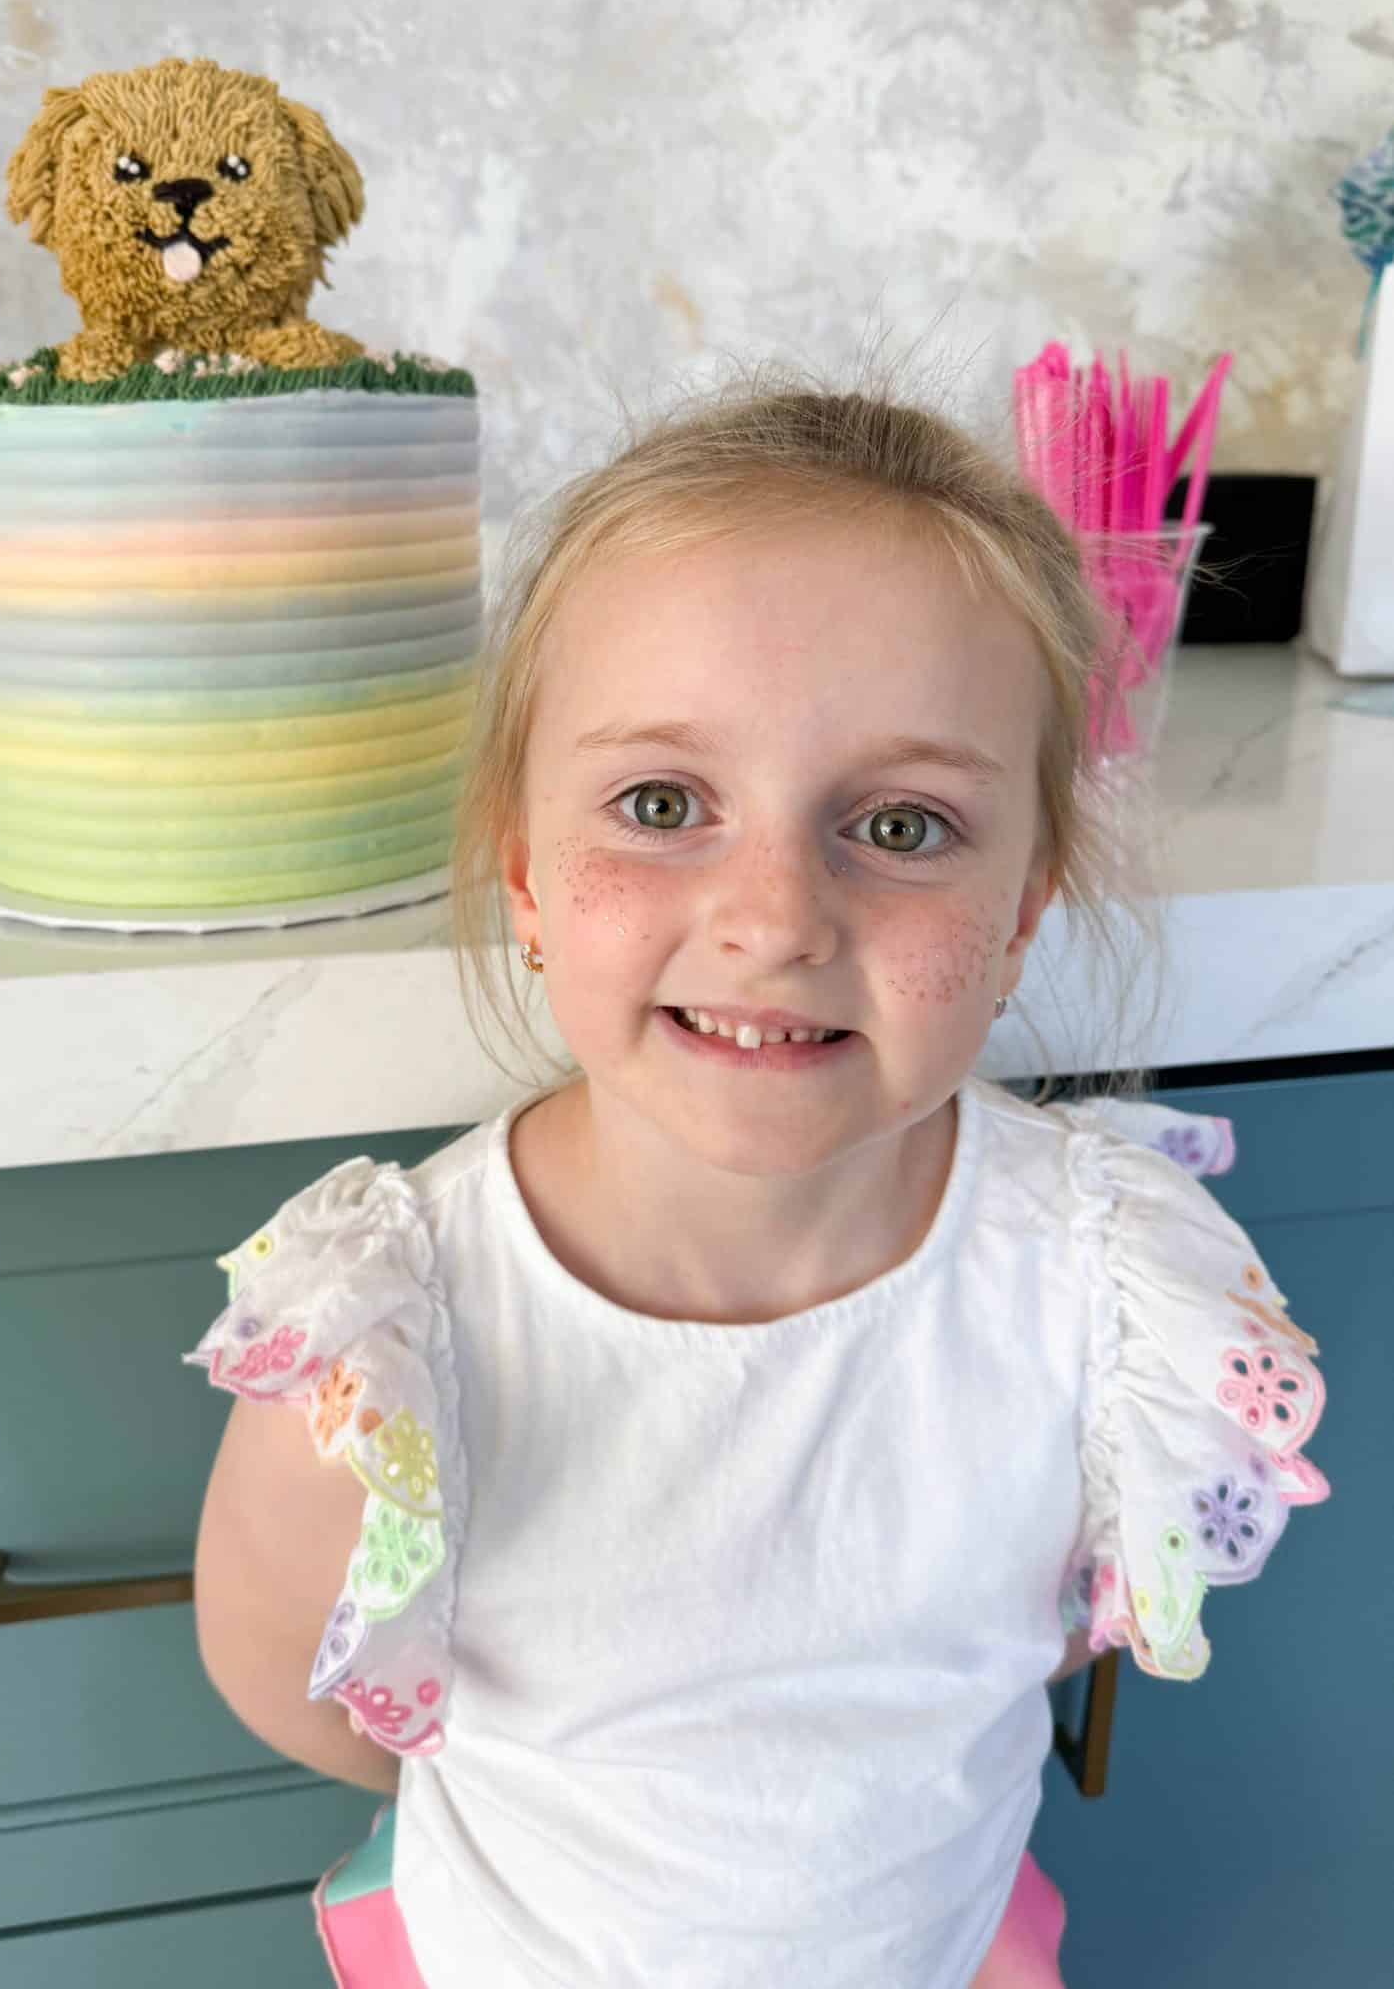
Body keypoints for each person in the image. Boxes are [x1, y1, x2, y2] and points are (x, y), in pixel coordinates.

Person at [186, 378, 1328, 1988]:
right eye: (660, 806)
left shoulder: (1105, 1289)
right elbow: (290, 1680)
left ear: (1020, 907)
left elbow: (1034, 1642)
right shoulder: (390, 1343)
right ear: (525, 871)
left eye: (901, 825)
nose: (775, 918)